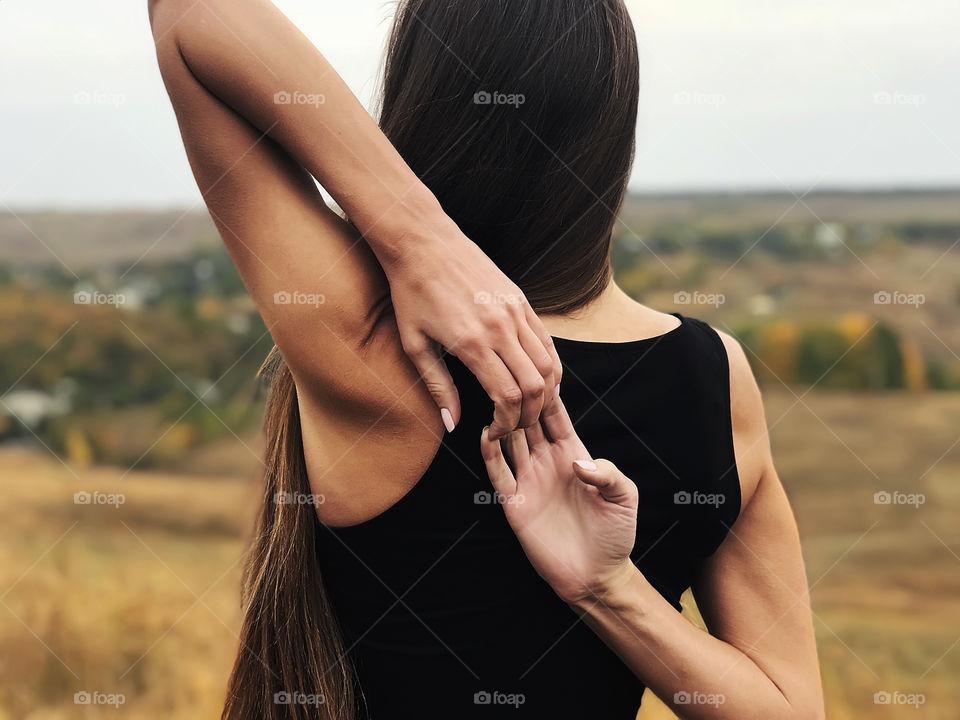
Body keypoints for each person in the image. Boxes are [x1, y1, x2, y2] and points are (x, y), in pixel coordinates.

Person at [147, 0, 824, 718]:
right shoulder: (712, 378)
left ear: (420, 100)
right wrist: (618, 596)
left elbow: (189, 17)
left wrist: (418, 238)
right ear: (612, 130)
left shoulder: (372, 345)